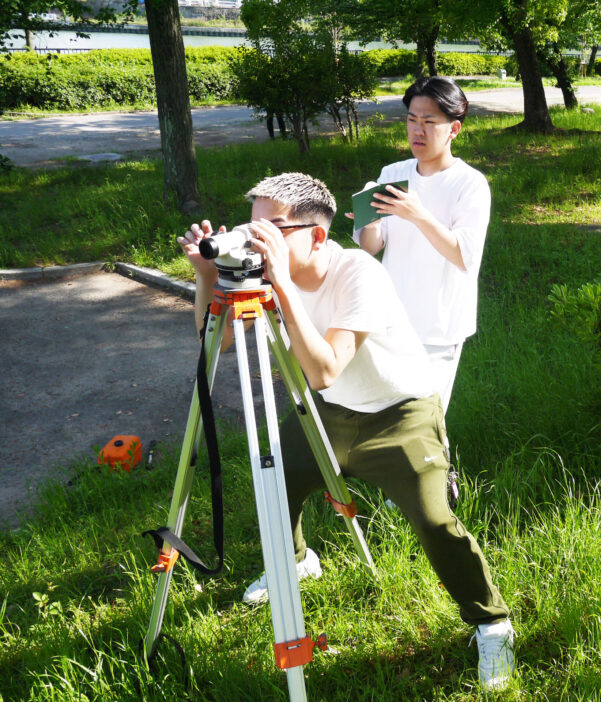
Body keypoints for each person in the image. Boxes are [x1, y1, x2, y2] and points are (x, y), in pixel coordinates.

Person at [176, 172, 515, 690]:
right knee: (276, 480)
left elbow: (325, 368)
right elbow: (213, 345)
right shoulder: (266, 272)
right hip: (329, 411)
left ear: (315, 235)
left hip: (400, 413)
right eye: (253, 227)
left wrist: (282, 285)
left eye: (271, 229)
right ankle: (296, 561)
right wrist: (206, 276)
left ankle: (492, 623)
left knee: (432, 521)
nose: (257, 239)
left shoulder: (358, 273)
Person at [351, 77, 490, 413]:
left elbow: (463, 255)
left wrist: (417, 214)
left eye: (429, 122)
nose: (418, 131)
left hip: (438, 327)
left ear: (454, 129)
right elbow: (371, 247)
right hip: (389, 320)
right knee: (386, 414)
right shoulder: (393, 173)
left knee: (424, 419)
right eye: (412, 120)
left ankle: (438, 468)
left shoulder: (469, 184)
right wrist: (367, 219)